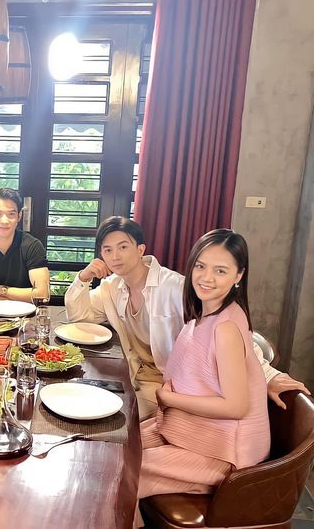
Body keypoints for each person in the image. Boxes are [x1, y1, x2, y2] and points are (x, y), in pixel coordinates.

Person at [65, 216, 309, 420]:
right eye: (107, 250)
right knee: (80, 400)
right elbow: (78, 316)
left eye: (123, 247)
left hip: (170, 385)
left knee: (108, 419)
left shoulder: (175, 287)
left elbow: (226, 330)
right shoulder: (111, 287)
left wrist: (269, 376)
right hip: (132, 374)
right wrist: (83, 278)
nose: (115, 256)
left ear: (140, 249)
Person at [135, 229, 270, 526]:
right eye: (200, 266)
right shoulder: (208, 313)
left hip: (225, 452)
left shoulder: (225, 327)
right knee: (118, 447)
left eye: (220, 270)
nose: (206, 277)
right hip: (197, 431)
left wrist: (169, 398)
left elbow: (236, 406)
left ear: (239, 275)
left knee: (125, 472)